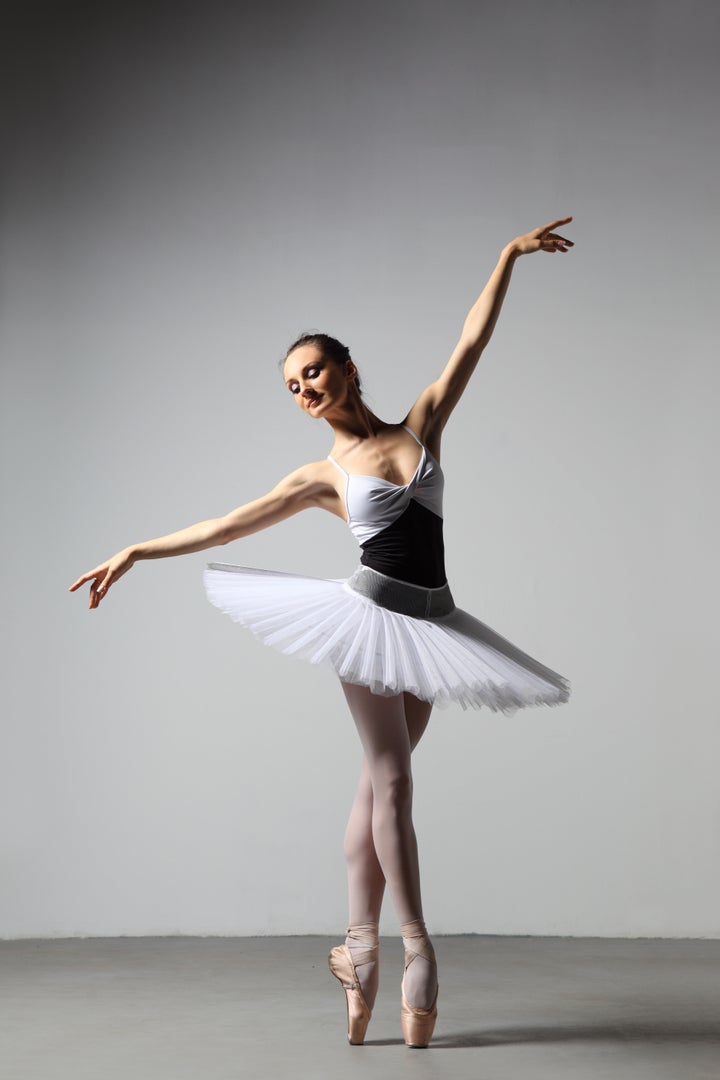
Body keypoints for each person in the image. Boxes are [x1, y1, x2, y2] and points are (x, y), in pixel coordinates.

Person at [69, 216, 573, 1049]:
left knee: (376, 794)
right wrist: (137, 549)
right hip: (370, 623)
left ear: (346, 367)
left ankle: (355, 950)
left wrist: (508, 254)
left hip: (437, 624)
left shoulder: (419, 428)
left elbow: (471, 340)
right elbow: (227, 526)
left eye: (314, 371)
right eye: (294, 386)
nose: (305, 389)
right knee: (395, 783)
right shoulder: (321, 475)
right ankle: (415, 955)